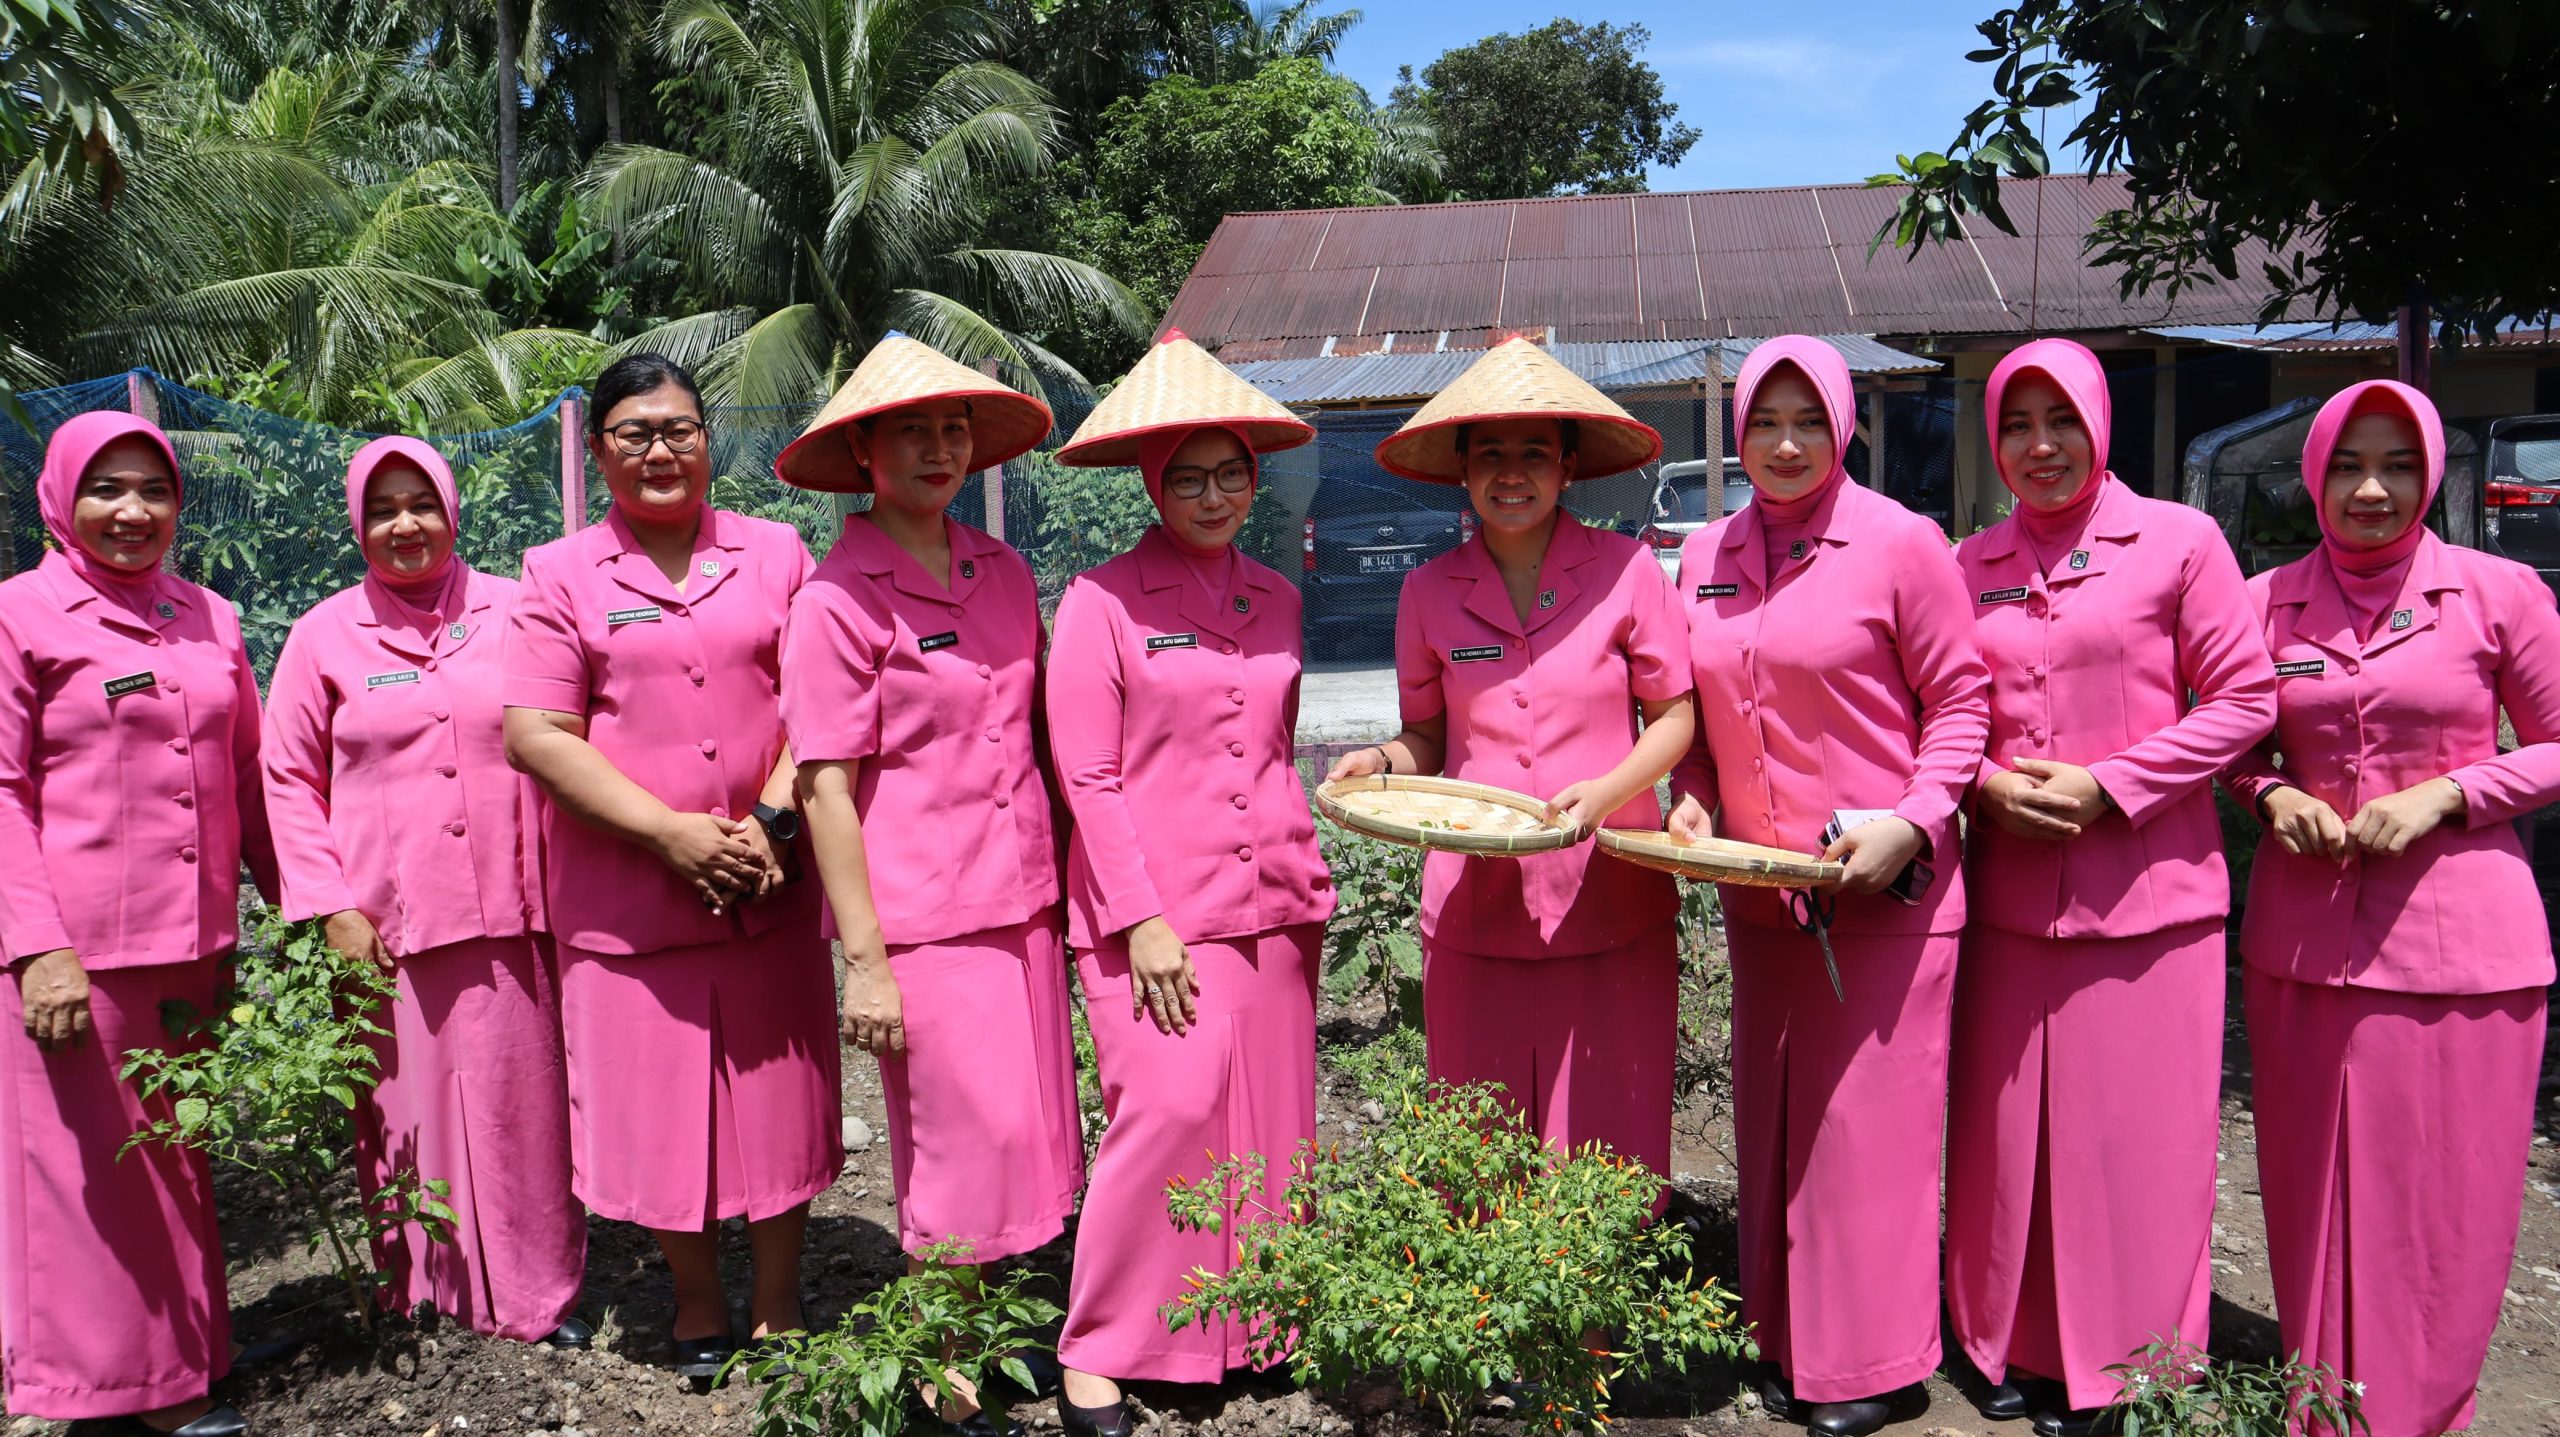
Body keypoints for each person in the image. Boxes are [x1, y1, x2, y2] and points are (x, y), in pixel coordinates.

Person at [1942, 337, 2277, 1436]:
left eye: (2061, 423)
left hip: (2147, 899)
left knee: (2130, 1142)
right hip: (2005, 901)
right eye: (2017, 427)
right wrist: (1984, 786)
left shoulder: (2179, 541)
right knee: (2007, 1139)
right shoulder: (1968, 562)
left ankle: (2126, 1365)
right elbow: (1937, 718)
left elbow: (2242, 702)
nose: (2040, 448)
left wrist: (2112, 784)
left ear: (2100, 424)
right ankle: (2010, 1344)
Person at [1666, 336, 1990, 1437]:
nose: (1788, 443)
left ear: (1845, 425)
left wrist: (1911, 819)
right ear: (1738, 432)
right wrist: (1694, 796)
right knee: (1782, 1123)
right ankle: (1789, 1332)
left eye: (1810, 420)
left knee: (1867, 1133)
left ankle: (1876, 1367)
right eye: (1765, 421)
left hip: (1884, 896)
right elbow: (1696, 721)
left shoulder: (1901, 543)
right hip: (1760, 897)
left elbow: (1959, 706)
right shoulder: (1705, 550)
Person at [2224, 380, 2560, 1437]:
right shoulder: (2262, 601)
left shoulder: (2499, 592)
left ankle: (2421, 1411)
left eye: (2397, 465)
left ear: (2431, 475)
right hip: (2305, 943)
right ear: (2312, 475)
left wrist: (2451, 793)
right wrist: (2273, 795)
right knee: (2311, 1183)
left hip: (2463, 946)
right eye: (2347, 466)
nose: (2371, 490)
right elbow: (2232, 746)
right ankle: (2319, 1403)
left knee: (2443, 1200)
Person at [502, 355, 838, 1378]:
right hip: (629, 903)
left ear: (708, 440)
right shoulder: (557, 575)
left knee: (779, 1101)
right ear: (600, 449)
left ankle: (778, 1300)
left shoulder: (778, 553)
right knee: (658, 1112)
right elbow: (537, 735)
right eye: (635, 433)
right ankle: (698, 1302)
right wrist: (671, 833)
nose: (660, 451)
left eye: (679, 429)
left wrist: (772, 822)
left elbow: (821, 698)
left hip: (768, 882)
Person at [776, 334, 1078, 1437]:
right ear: (863, 449)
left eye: (954, 429)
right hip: (926, 920)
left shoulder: (1000, 572)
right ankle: (942, 1370)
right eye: (914, 430)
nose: (940, 448)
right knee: (958, 1146)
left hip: (1020, 898)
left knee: (1026, 1135)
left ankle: (992, 1342)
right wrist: (865, 960)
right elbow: (825, 789)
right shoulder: (838, 598)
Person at [1042, 333, 1335, 1437]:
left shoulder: (1275, 595)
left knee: (1267, 1130)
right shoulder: (1101, 602)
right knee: (1163, 1118)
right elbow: (1088, 771)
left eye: (1230, 475)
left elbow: (1274, 744)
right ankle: (1102, 1347)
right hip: (1153, 918)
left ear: (1254, 482)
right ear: (1151, 485)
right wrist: (1143, 920)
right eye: (1187, 478)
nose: (1211, 496)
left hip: (1275, 908)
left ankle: (1252, 1330)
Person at [1328, 334, 1697, 1193]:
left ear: (1569, 467)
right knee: (1478, 1143)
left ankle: (1600, 1329)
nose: (1512, 473)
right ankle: (1497, 1328)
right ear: (1462, 469)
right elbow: (1425, 736)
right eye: (1489, 454)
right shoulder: (1427, 592)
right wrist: (1379, 761)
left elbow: (1674, 716)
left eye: (1534, 453)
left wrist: (1603, 795)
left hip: (1610, 897)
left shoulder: (1628, 571)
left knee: (1606, 1142)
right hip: (1475, 908)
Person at [262, 435, 589, 1347]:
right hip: (385, 925)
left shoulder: (518, 610)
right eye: (382, 509)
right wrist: (330, 904)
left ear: (453, 510)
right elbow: (286, 777)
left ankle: (537, 1298)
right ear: (357, 523)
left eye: (422, 504)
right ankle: (426, 1296)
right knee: (404, 1116)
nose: (405, 524)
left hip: (518, 909)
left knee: (524, 1113)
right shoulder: (322, 635)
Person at [0, 411, 277, 1436]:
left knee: (172, 1156)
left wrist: (294, 903)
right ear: (62, 499)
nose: (131, 511)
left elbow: (247, 775)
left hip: (191, 944)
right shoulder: (20, 615)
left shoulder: (209, 614)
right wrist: (37, 949)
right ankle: (116, 1391)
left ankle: (189, 1354)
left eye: (152, 491)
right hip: (75, 955)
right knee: (88, 1178)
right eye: (106, 490)